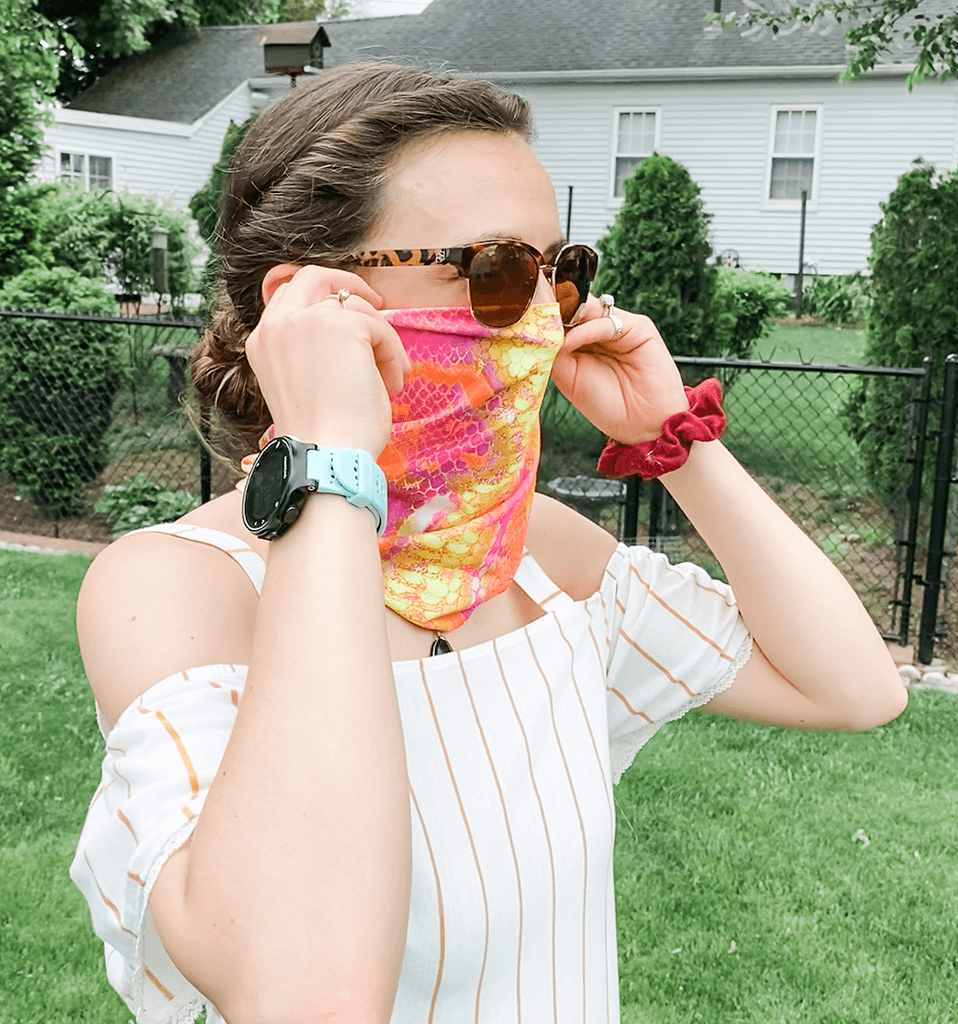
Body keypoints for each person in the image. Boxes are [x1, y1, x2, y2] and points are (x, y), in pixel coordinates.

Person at [71, 62, 907, 1024]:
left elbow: (854, 686)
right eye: (497, 271)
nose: (545, 318)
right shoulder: (179, 587)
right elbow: (300, 992)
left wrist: (675, 440)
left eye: (561, 271)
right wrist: (332, 459)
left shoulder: (536, 559)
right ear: (310, 299)